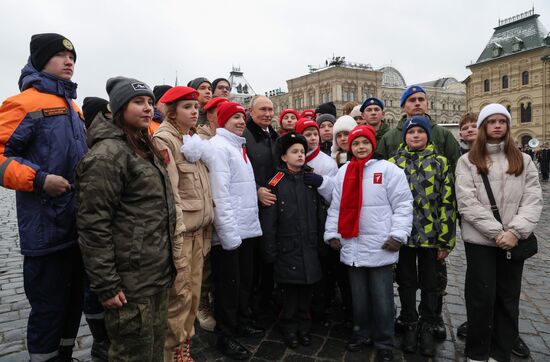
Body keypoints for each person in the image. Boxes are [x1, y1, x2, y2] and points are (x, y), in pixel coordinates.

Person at [0, 33, 87, 362]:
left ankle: (65, 357)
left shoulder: (73, 107)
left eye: (73, 57)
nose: (69, 62)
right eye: (60, 55)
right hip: (45, 230)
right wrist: (38, 179)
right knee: (48, 310)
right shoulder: (23, 103)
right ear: (41, 59)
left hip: (77, 228)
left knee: (72, 304)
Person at [76, 77, 176, 361]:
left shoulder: (143, 147)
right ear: (119, 108)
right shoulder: (107, 156)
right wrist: (107, 284)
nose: (147, 108)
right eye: (137, 102)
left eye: (149, 102)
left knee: (153, 351)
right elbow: (93, 225)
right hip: (130, 283)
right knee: (132, 354)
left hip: (155, 274)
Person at [455, 104, 542, 362]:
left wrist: (515, 231)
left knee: (507, 298)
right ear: (483, 127)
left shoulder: (523, 160)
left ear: (507, 126)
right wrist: (498, 233)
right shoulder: (467, 161)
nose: (496, 125)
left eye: (501, 121)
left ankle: (500, 352)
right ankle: (477, 353)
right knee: (481, 298)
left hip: (513, 240)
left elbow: (533, 199)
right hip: (481, 241)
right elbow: (467, 202)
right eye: (491, 121)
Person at [325, 125, 413, 361]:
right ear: (350, 147)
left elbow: (403, 205)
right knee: (359, 298)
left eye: (364, 142)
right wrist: (332, 234)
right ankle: (361, 333)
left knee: (382, 298)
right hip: (352, 245)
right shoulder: (343, 172)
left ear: (372, 144)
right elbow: (335, 206)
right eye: (356, 144)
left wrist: (397, 235)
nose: (360, 147)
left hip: (380, 245)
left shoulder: (389, 170)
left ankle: (385, 340)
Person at [380, 85, 460, 340]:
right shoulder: (391, 140)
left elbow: (452, 184)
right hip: (404, 231)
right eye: (411, 100)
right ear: (404, 105)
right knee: (404, 277)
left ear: (427, 103)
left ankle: (432, 318)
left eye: (421, 99)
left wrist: (446, 236)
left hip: (431, 229)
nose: (416, 103)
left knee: (433, 277)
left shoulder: (443, 139)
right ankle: (408, 316)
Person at [153, 86, 214, 361]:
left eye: (195, 106)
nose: (194, 111)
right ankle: (173, 353)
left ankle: (183, 346)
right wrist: (177, 240)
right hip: (183, 236)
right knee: (179, 299)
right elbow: (171, 195)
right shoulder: (165, 140)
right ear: (172, 111)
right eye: (187, 107)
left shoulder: (189, 138)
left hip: (199, 233)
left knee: (193, 296)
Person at [206, 101, 264, 360]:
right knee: (228, 288)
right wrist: (229, 235)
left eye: (242, 117)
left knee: (243, 283)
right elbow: (221, 194)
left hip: (245, 229)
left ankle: (240, 322)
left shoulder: (237, 146)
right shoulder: (220, 148)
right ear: (223, 121)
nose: (241, 122)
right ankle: (225, 335)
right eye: (235, 118)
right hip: (231, 233)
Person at [261, 133, 323, 349]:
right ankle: (289, 327)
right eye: (294, 152)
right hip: (287, 246)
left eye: (302, 152)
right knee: (290, 293)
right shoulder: (276, 180)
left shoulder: (310, 178)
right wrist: (269, 249)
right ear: (284, 157)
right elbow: (269, 219)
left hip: (309, 244)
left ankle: (304, 328)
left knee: (306, 291)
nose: (300, 155)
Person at [243, 96, 280, 312]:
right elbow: (240, 171)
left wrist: (273, 187)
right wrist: (257, 189)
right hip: (252, 205)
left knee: (269, 255)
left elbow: (277, 170)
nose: (267, 113)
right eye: (263, 109)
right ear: (251, 111)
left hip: (271, 203)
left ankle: (266, 301)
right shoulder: (245, 135)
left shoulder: (273, 135)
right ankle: (253, 306)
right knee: (255, 261)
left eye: (270, 109)